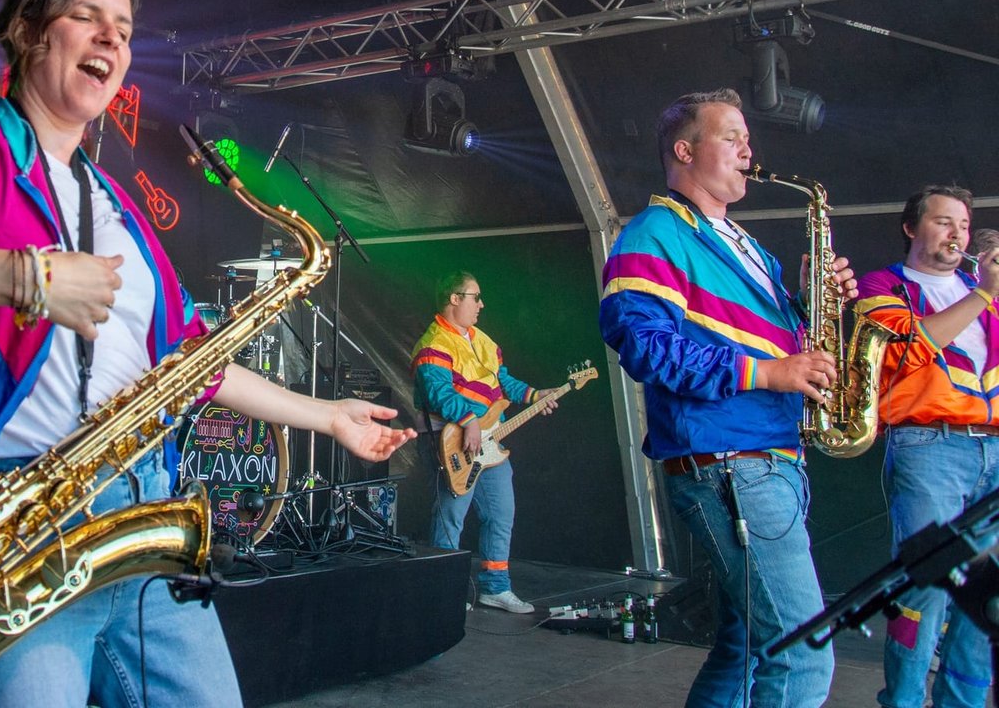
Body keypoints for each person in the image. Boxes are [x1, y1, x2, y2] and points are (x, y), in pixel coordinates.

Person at [0, 0, 415, 708]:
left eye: (125, 28)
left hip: (140, 525)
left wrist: (327, 416)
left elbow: (191, 362)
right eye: (87, 16)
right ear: (28, 32)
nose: (111, 38)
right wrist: (28, 278)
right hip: (10, 530)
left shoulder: (118, 206)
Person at [598, 88, 855, 708]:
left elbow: (750, 336)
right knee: (802, 655)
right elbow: (644, 347)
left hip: (767, 458)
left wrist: (806, 303)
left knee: (744, 648)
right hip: (732, 464)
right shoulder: (655, 233)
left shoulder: (743, 242)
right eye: (731, 137)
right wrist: (768, 374)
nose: (748, 149)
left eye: (747, 137)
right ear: (685, 151)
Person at [856, 185, 999, 708]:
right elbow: (904, 353)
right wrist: (983, 293)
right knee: (927, 587)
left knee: (989, 597)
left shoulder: (986, 291)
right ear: (911, 228)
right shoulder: (882, 285)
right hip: (929, 445)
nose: (956, 233)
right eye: (942, 222)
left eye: (963, 225)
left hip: (995, 448)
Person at [411, 269, 556, 613]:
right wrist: (469, 421)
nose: (481, 304)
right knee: (450, 517)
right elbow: (438, 393)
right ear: (454, 298)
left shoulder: (485, 341)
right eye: (475, 297)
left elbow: (502, 382)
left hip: (490, 443)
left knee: (501, 514)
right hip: (451, 443)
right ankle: (444, 591)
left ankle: (496, 587)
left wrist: (535, 395)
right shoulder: (433, 344)